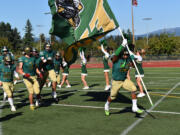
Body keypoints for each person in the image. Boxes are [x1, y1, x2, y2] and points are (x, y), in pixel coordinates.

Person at [104, 39, 144, 116]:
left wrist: (135, 60)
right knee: (112, 97)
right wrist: (122, 45)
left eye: (127, 55)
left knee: (134, 88)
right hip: (116, 81)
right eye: (124, 55)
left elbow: (133, 65)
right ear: (121, 55)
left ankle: (134, 107)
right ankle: (107, 105)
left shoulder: (128, 59)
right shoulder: (116, 59)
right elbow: (116, 54)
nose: (125, 56)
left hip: (124, 80)